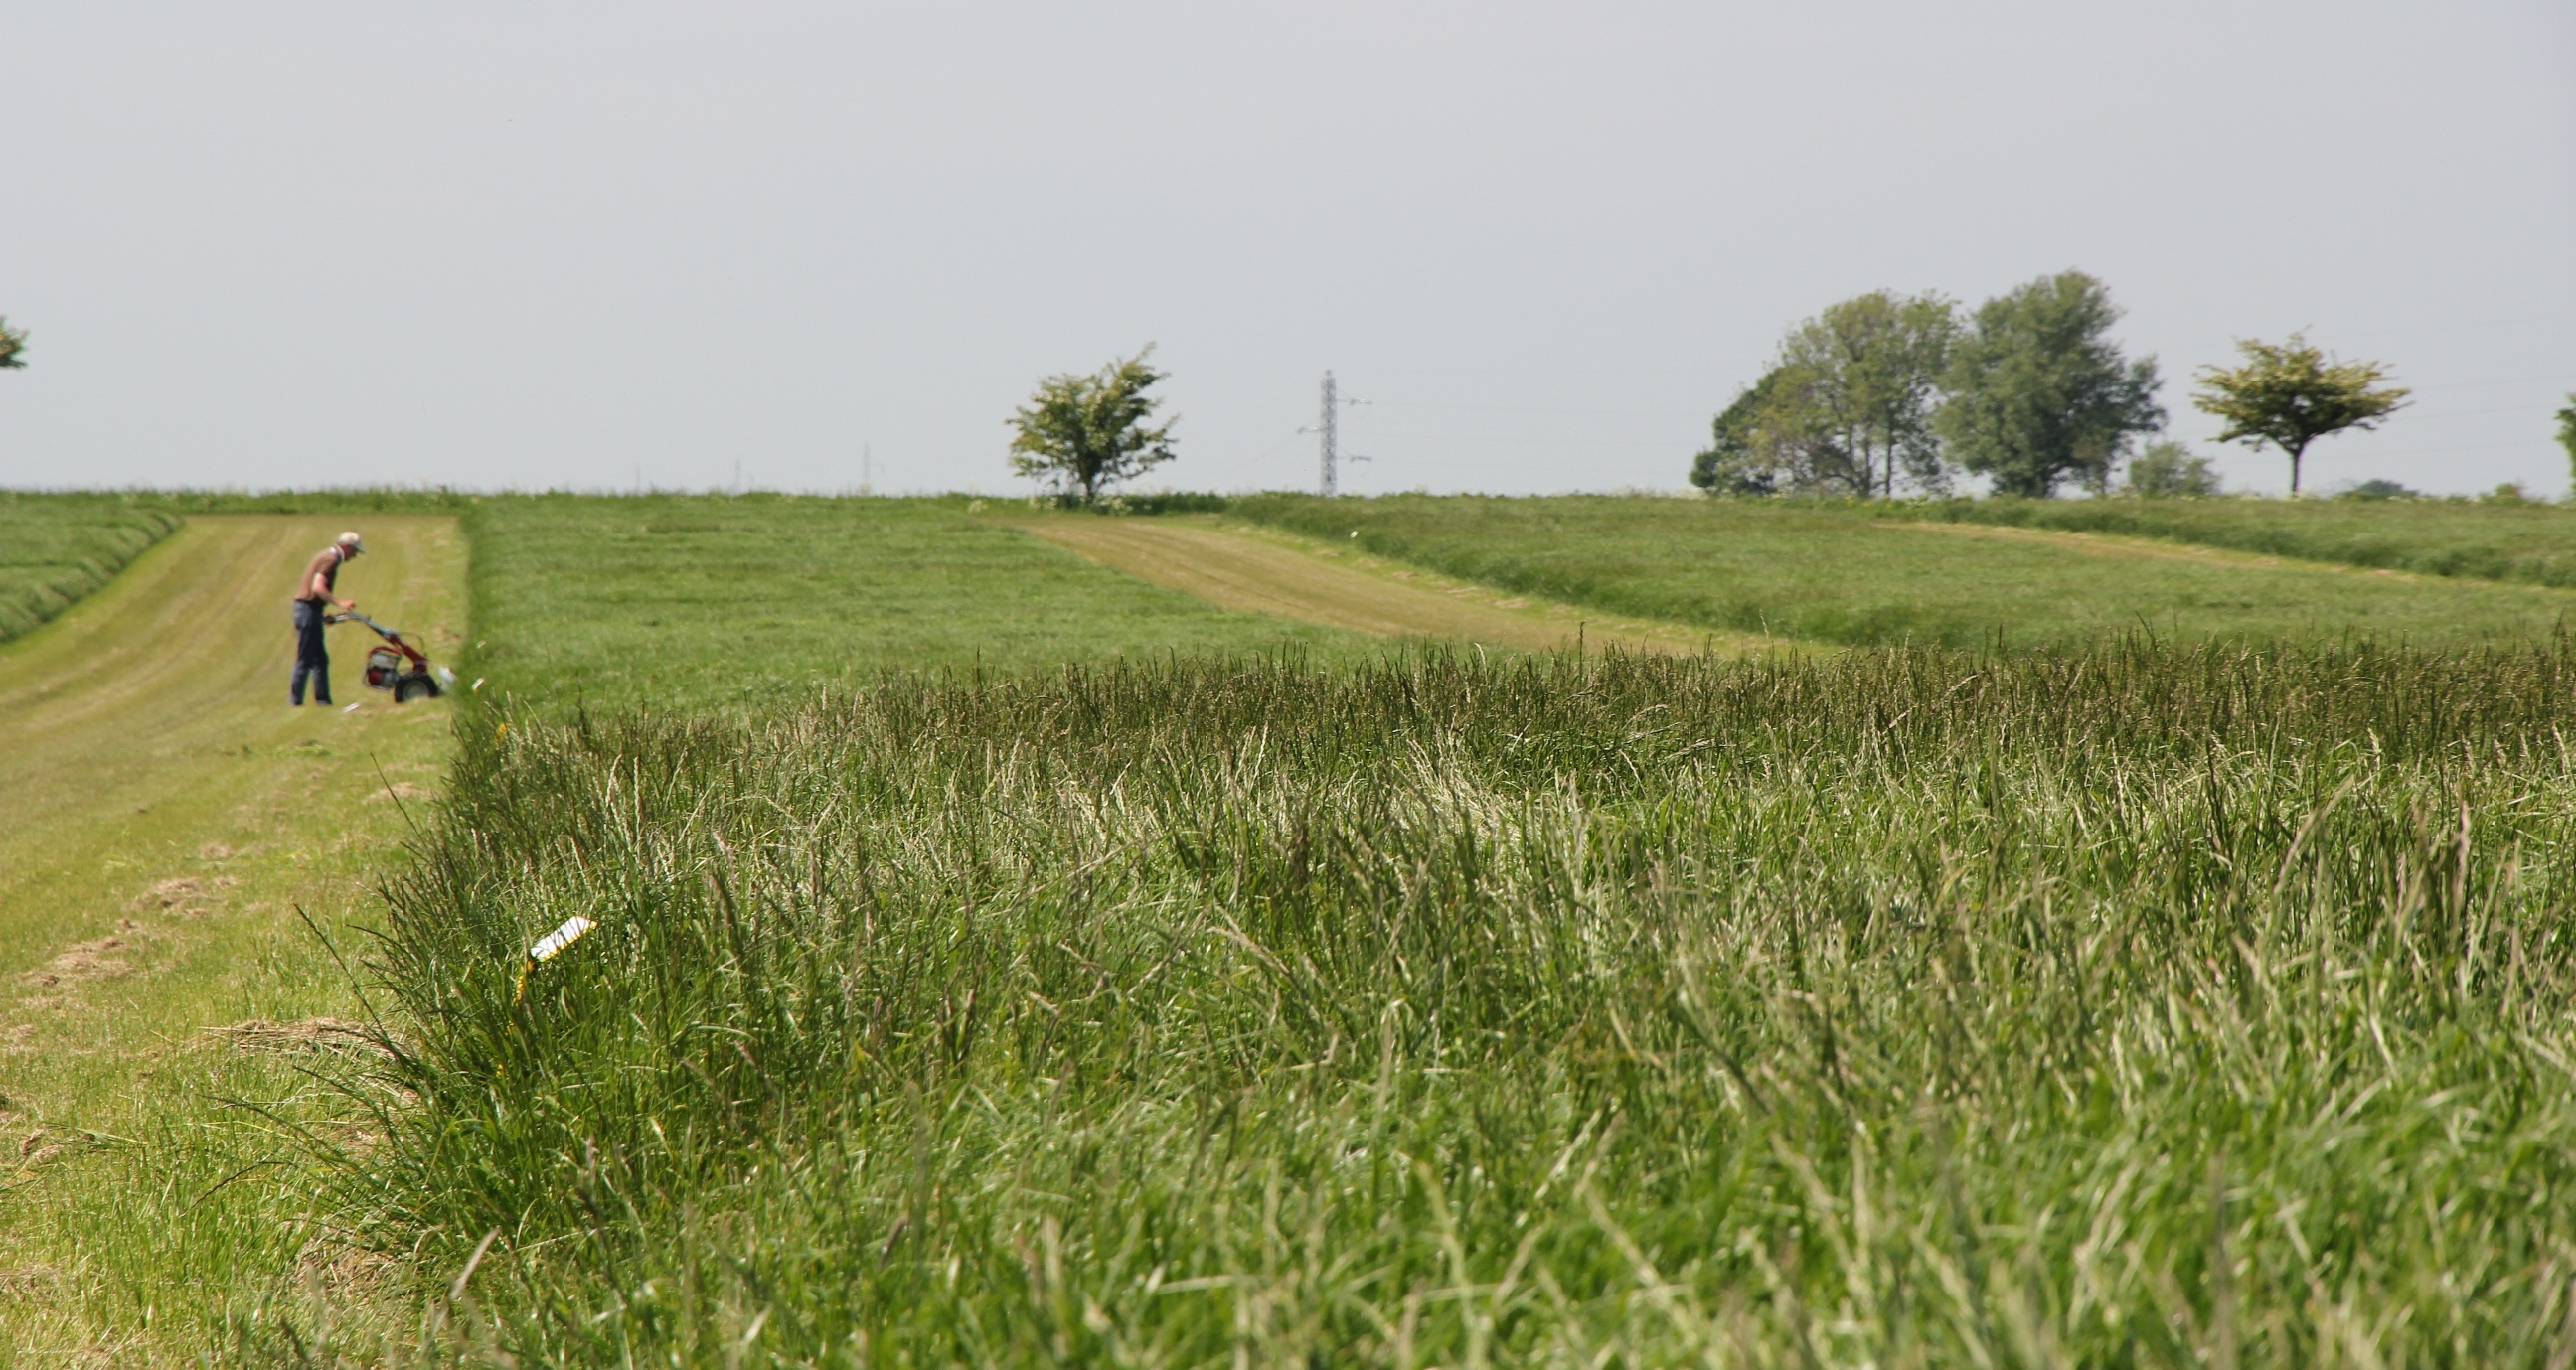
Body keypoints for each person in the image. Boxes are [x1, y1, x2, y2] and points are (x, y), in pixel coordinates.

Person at [290, 532, 365, 706]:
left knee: (320, 660)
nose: (354, 556)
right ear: (346, 546)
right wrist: (341, 603)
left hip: (310, 610)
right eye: (354, 551)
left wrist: (320, 613)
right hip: (307, 610)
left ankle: (323, 701)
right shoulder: (331, 560)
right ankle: (296, 703)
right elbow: (317, 588)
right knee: (305, 660)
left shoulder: (325, 556)